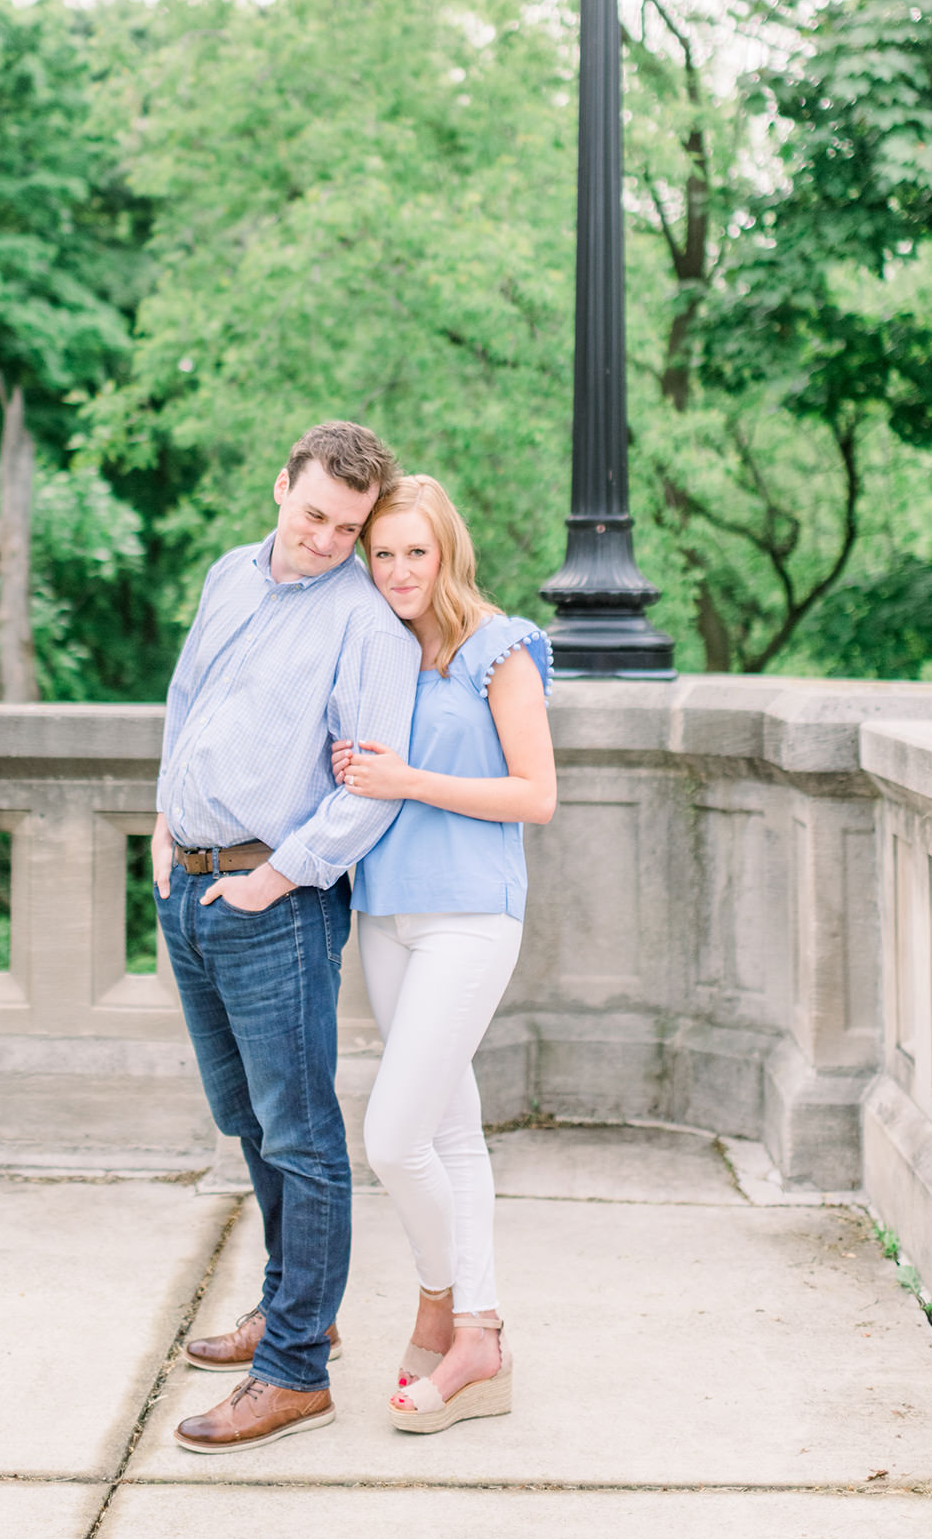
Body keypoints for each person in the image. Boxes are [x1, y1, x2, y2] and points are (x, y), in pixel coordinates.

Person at [152, 421, 421, 1454]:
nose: (325, 540)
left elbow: (369, 791)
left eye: (348, 528)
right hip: (194, 888)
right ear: (281, 489)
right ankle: (291, 1306)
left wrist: (274, 878)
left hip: (278, 902)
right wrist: (166, 825)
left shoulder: (366, 628)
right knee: (247, 1120)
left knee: (303, 1136)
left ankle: (295, 1369)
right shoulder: (230, 573)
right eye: (314, 515)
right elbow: (187, 701)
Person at [332, 473, 556, 1434]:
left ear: (447, 551)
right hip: (385, 913)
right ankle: (479, 1340)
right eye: (380, 553)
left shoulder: (497, 649)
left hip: (470, 915)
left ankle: (452, 1310)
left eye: (413, 551)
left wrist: (408, 778)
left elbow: (535, 795)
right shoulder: (377, 651)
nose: (396, 570)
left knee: (392, 1139)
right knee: (453, 1137)